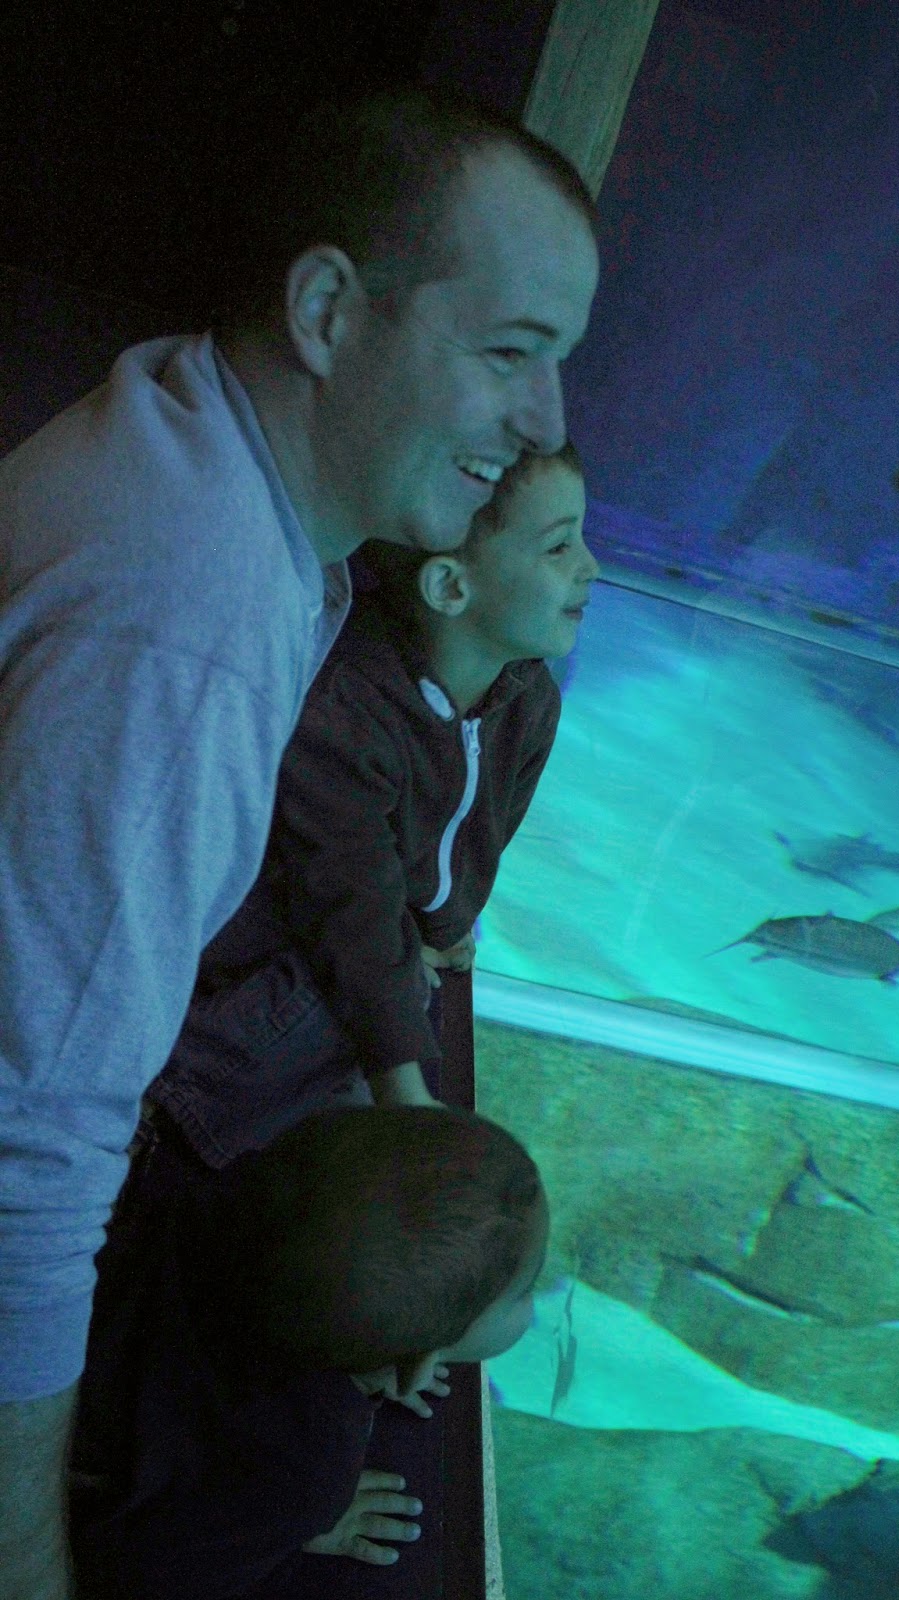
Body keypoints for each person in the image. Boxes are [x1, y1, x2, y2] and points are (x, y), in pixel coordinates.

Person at [0, 84, 598, 1599]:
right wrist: (28, 1564)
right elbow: (27, 1161)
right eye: (510, 352)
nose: (547, 420)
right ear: (328, 309)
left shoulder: (193, 441)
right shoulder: (186, 629)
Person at [149, 440, 598, 1167]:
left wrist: (441, 937)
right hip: (283, 985)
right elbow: (350, 904)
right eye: (558, 547)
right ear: (450, 586)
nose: (590, 566)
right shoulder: (345, 709)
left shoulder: (529, 701)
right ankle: (164, 1137)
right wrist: (405, 1096)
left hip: (407, 961)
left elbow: (476, 848)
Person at [69, 1101, 548, 1599]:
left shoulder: (205, 1195)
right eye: (526, 1289)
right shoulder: (305, 1473)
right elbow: (153, 1577)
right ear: (415, 1367)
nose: (533, 1302)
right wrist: (290, 1526)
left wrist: (381, 1354)